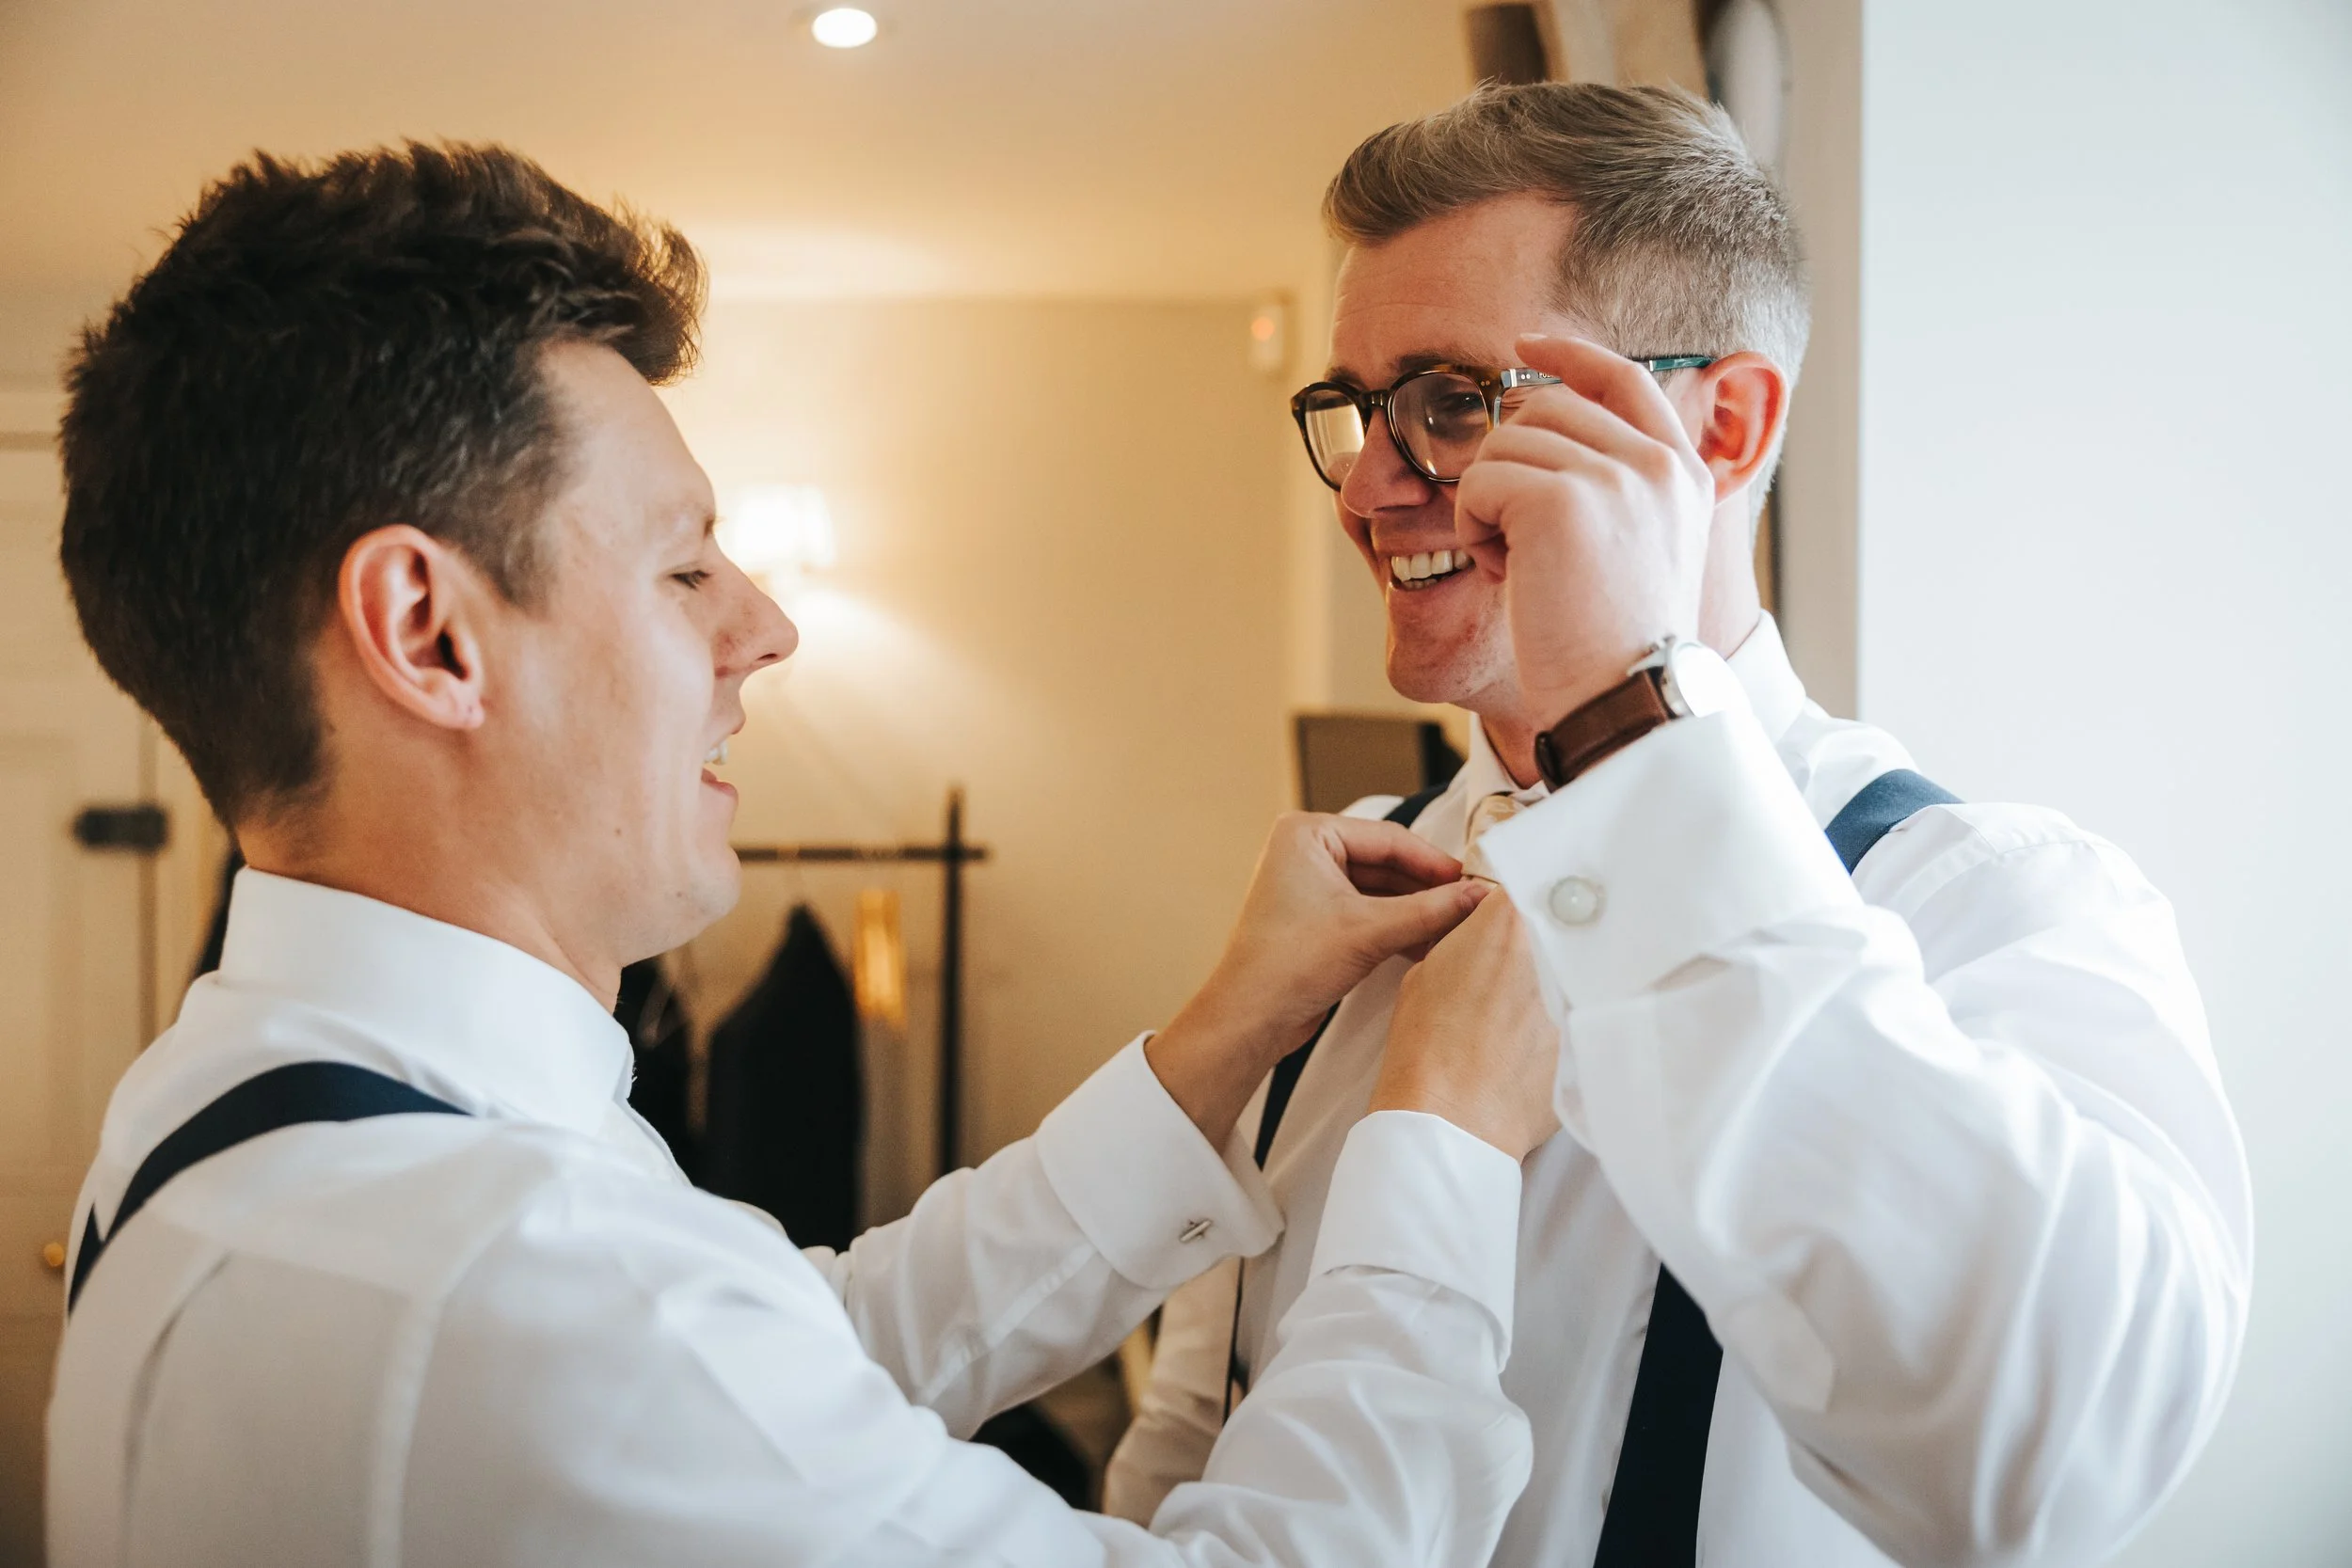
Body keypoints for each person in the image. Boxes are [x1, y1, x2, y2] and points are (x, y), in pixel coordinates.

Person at [44, 143, 1565, 1566]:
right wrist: (1436, 1153)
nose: (764, 628)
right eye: (685, 563)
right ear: (429, 634)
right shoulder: (520, 1284)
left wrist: (1223, 1038)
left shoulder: (233, 1107)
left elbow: (804, 1346)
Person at [1109, 83, 2251, 1568]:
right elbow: (1194, 1419)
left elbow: (2041, 1462)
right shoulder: (1342, 891)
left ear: (1721, 425)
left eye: (1453, 402)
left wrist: (1631, 734)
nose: (1376, 487)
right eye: (1354, 408)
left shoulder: (1992, 906)